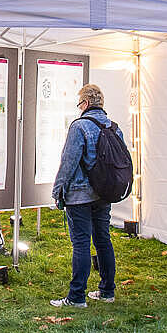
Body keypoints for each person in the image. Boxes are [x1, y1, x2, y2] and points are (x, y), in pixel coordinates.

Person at [50, 84, 120, 308]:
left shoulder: (79, 126)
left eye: (79, 103)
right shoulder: (113, 126)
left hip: (80, 195)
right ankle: (107, 291)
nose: (78, 107)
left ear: (86, 103)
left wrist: (58, 190)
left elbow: (68, 162)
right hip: (104, 193)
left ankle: (77, 297)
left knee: (81, 243)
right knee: (103, 239)